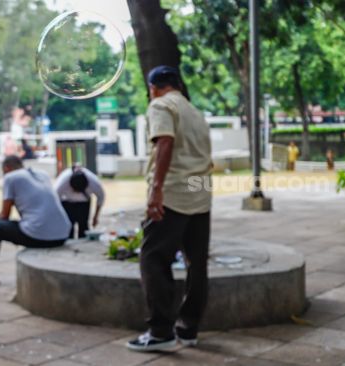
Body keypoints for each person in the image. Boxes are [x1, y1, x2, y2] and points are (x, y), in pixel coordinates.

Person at [127, 66, 212, 352]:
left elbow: (165, 142)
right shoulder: (195, 112)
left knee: (152, 257)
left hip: (174, 192)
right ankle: (188, 328)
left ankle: (160, 330)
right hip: (200, 193)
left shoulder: (160, 105)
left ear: (153, 87)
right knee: (196, 263)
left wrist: (156, 189)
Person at [0, 155, 71, 284]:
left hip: (39, 237)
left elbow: (5, 215)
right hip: (62, 234)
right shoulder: (42, 174)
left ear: (7, 168)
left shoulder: (10, 178)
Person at [54, 165, 105, 238]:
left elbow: (101, 197)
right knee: (68, 228)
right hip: (67, 203)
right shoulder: (63, 181)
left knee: (83, 228)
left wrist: (95, 217)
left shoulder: (93, 182)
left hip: (84, 204)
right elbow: (55, 199)